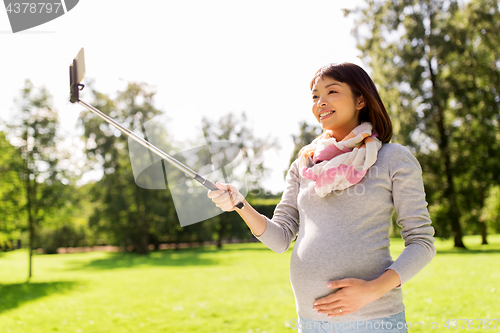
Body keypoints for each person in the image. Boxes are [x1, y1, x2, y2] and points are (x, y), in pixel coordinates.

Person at [207, 63, 436, 333]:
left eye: (332, 91)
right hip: (311, 321)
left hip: (373, 320)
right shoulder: (304, 165)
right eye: (315, 96)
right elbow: (280, 238)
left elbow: (422, 241)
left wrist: (373, 290)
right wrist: (239, 204)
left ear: (360, 99)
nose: (320, 102)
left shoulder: (392, 158)